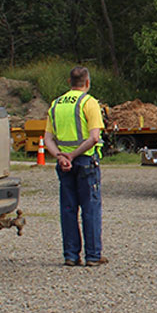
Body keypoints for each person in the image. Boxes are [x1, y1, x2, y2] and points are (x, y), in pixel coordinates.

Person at [44, 66, 105, 266]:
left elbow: (48, 139)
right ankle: (93, 255)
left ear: (69, 83)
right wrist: (73, 154)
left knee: (68, 209)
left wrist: (61, 157)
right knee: (90, 208)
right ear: (87, 83)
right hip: (85, 161)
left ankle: (71, 255)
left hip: (64, 164)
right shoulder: (89, 102)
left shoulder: (56, 104)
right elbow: (94, 137)